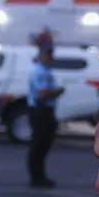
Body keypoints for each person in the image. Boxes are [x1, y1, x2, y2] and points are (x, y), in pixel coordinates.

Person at [27, 44, 64, 189]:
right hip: (40, 110)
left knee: (44, 145)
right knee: (38, 145)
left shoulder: (46, 71)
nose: (50, 57)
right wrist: (57, 92)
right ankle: (36, 177)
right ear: (41, 56)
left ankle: (40, 175)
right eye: (48, 55)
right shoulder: (39, 72)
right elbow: (42, 93)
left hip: (45, 110)